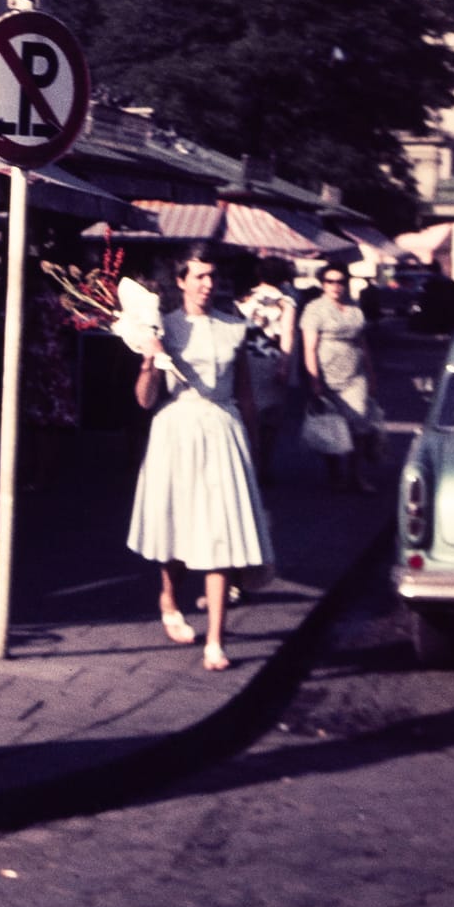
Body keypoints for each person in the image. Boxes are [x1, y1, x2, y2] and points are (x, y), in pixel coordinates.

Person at [128, 246, 273, 672]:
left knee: (220, 533)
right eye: (199, 276)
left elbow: (245, 393)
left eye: (212, 276)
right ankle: (169, 598)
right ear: (181, 281)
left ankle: (215, 640)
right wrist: (149, 362)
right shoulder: (163, 326)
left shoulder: (234, 326)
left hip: (223, 432)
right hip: (177, 432)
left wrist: (255, 446)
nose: (208, 284)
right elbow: (145, 400)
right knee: (178, 522)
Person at [300, 262, 378, 493]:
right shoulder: (314, 309)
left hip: (355, 374)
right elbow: (309, 347)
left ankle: (356, 475)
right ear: (323, 284)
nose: (335, 286)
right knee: (332, 427)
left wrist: (371, 373)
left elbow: (362, 343)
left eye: (340, 281)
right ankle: (334, 472)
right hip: (328, 376)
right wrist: (314, 380)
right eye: (330, 281)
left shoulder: (354, 309)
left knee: (359, 423)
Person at [235, 257, 298, 482]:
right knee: (271, 419)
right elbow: (287, 335)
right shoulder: (285, 302)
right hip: (271, 360)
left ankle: (249, 462)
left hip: (246, 360)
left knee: (248, 414)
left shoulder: (243, 298)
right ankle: (264, 466)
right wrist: (284, 365)